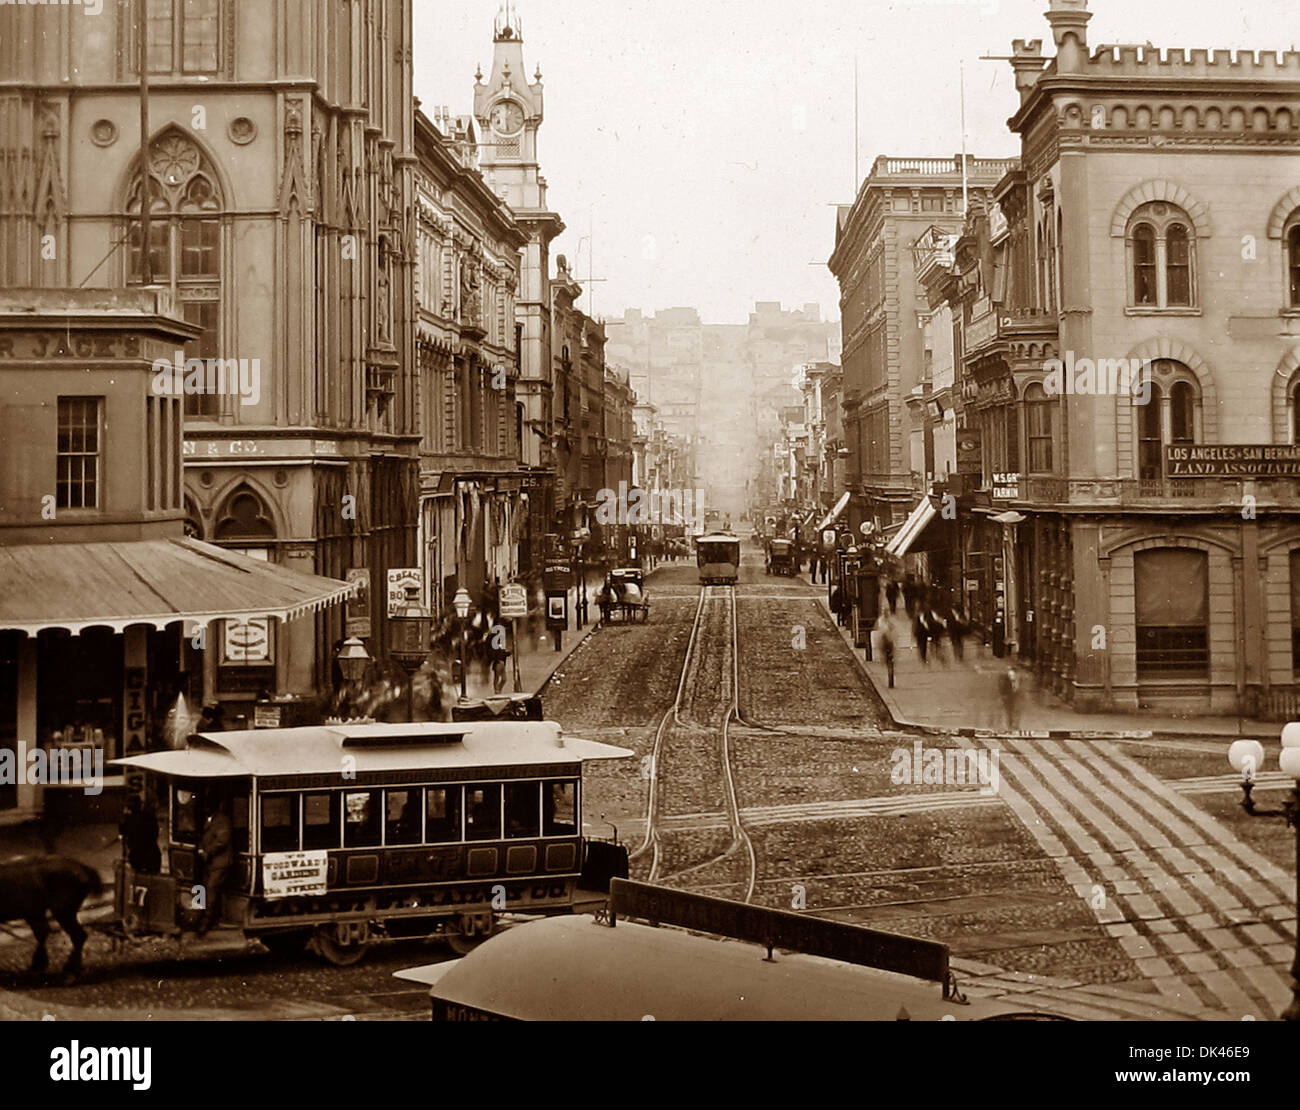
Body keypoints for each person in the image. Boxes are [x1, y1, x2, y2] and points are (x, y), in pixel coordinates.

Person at [195, 802, 233, 935]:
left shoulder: (222, 820)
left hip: (220, 862)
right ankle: (205, 916)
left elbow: (222, 841)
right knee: (204, 887)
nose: (205, 808)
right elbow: (204, 837)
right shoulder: (209, 820)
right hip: (210, 862)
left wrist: (207, 851)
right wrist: (201, 849)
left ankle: (206, 921)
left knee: (210, 888)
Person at [119, 794, 162, 873]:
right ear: (140, 805)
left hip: (136, 856)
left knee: (138, 879)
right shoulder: (150, 816)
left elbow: (122, 833)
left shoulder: (128, 820)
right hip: (152, 855)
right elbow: (156, 833)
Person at [998, 666, 1023, 732]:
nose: (1013, 676)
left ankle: (1015, 725)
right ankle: (1009, 725)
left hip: (1016, 696)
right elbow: (1002, 687)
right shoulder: (1005, 678)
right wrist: (1003, 695)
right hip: (1008, 697)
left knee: (1017, 711)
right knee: (1009, 711)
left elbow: (1019, 687)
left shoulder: (1019, 678)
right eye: (1011, 674)